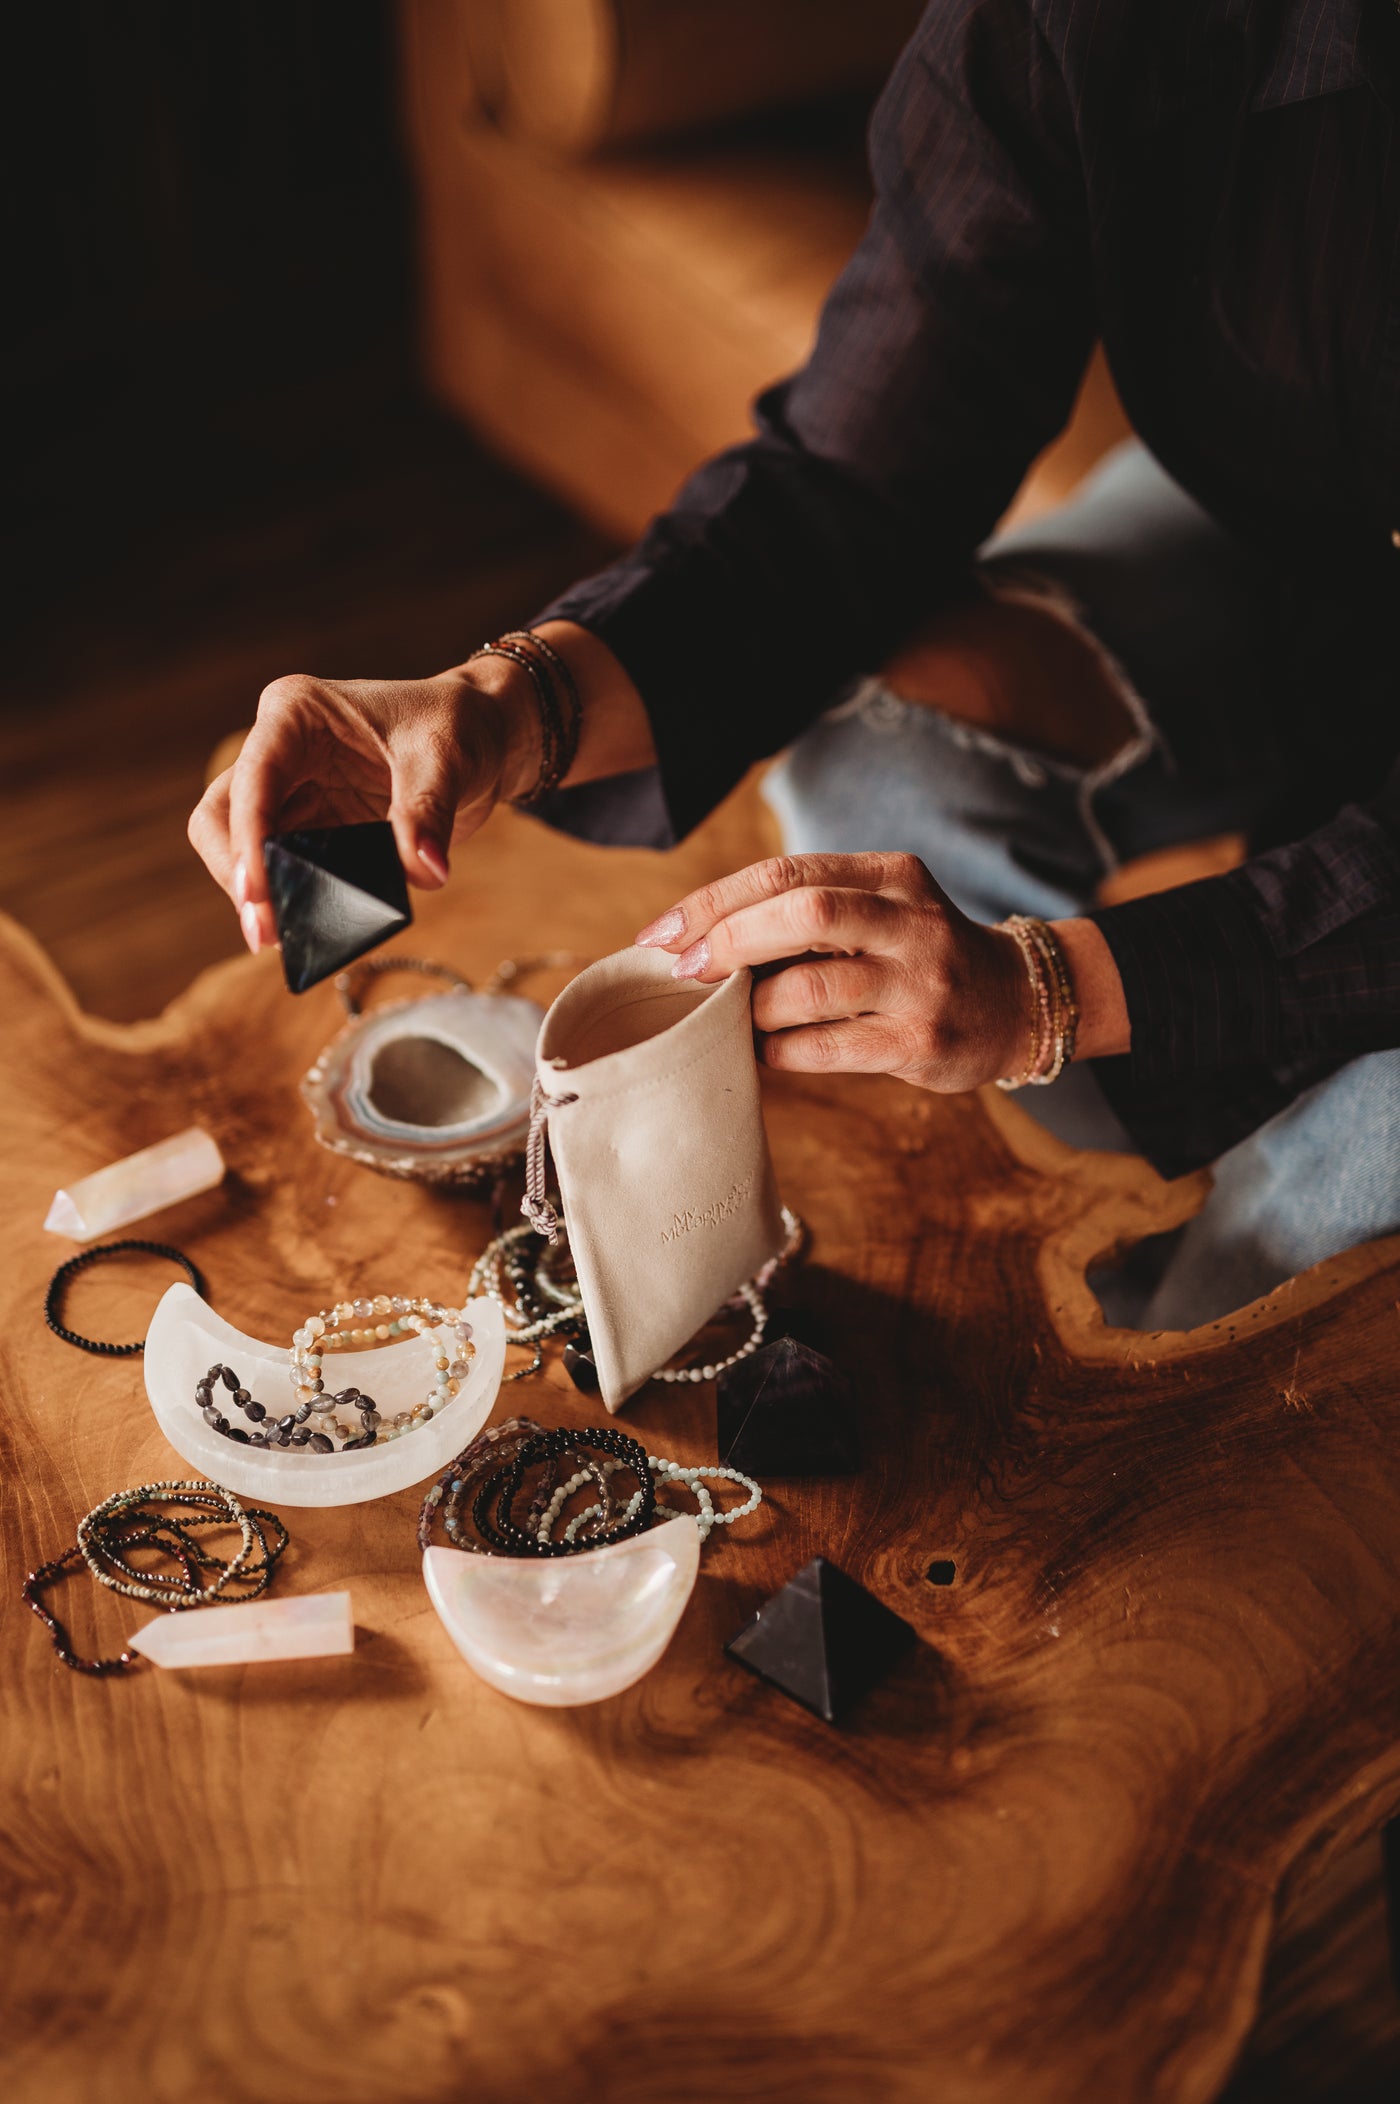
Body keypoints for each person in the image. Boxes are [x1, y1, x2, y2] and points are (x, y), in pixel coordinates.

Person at [189, 0, 1400, 1329]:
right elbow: (855, 477)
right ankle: (1172, 1150)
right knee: (872, 768)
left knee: (1315, 1205)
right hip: (1306, 550)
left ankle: (1226, 1247)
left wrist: (1052, 993)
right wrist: (498, 707)